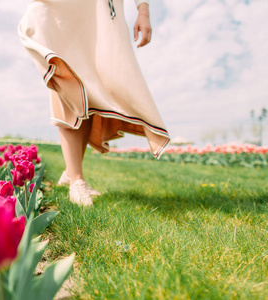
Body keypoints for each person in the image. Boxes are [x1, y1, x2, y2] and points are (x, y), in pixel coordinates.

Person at [18, 0, 170, 205]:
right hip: (67, 8)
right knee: (69, 75)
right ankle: (76, 180)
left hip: (103, 13)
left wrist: (143, 11)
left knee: (94, 87)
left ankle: (71, 173)